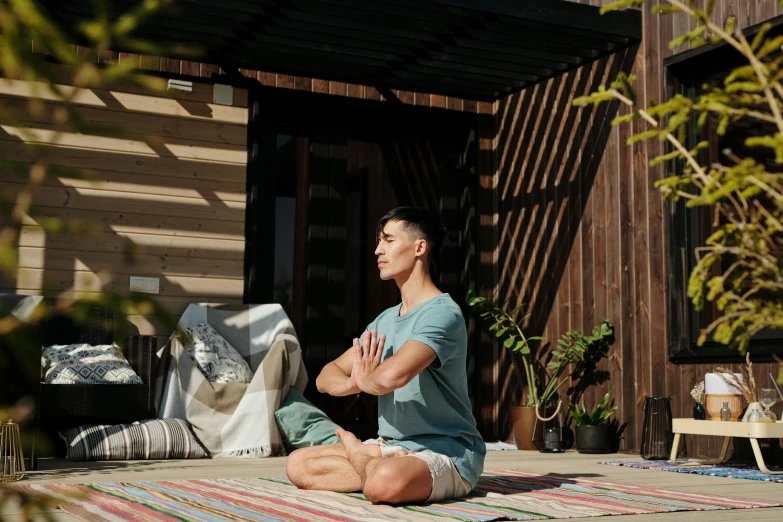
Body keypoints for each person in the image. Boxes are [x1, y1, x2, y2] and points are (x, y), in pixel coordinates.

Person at [286, 206, 485, 505]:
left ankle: (360, 456)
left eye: (388, 240)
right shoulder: (385, 320)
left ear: (420, 247)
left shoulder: (442, 314)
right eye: (379, 242)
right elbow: (326, 377)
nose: (378, 250)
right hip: (390, 448)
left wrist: (370, 380)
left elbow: (393, 376)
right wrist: (362, 381)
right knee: (298, 464)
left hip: (447, 450)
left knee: (383, 484)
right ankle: (372, 461)